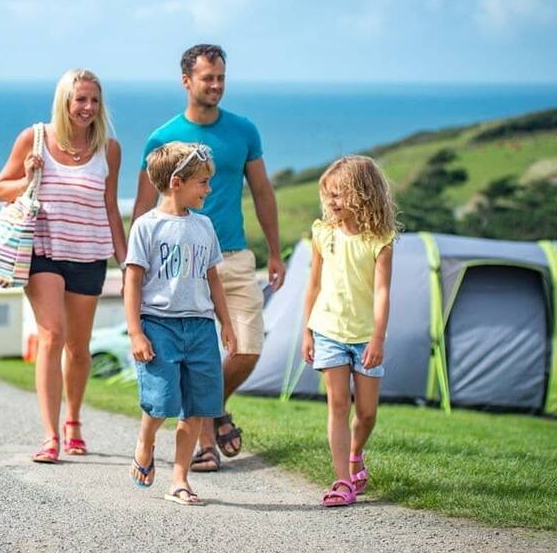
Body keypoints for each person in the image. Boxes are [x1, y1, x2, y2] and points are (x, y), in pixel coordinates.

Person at [131, 44, 285, 473]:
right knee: (194, 355)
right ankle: (204, 441)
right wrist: (135, 265)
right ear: (186, 81)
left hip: (233, 257)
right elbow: (143, 207)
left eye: (221, 78)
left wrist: (274, 251)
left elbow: (262, 192)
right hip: (178, 265)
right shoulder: (161, 138)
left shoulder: (244, 131)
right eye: (207, 78)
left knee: (248, 348)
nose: (216, 86)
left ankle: (212, 411)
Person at [0, 69, 128, 464]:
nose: (88, 107)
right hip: (43, 252)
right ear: (64, 101)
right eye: (80, 99)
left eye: (94, 100)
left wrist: (126, 263)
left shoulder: (109, 149)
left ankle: (73, 421)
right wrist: (27, 178)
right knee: (52, 335)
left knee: (79, 349)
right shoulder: (34, 138)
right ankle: (50, 436)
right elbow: (1, 188)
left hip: (89, 254)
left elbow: (110, 207)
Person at [124, 141, 238, 506]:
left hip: (201, 327)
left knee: (198, 406)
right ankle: (145, 441)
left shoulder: (204, 226)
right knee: (161, 402)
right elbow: (132, 281)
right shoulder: (146, 226)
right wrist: (136, 332)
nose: (209, 189)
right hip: (159, 326)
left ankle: (179, 479)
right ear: (176, 182)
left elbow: (213, 278)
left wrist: (226, 323)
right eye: (202, 182)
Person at [300, 155, 397, 506]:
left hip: (365, 337)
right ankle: (342, 481)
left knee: (367, 413)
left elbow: (382, 292)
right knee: (338, 404)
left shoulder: (380, 240)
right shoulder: (322, 233)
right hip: (328, 330)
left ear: (363, 193)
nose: (331, 202)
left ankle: (356, 452)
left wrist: (378, 338)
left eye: (338, 194)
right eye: (327, 195)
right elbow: (313, 285)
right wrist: (307, 332)